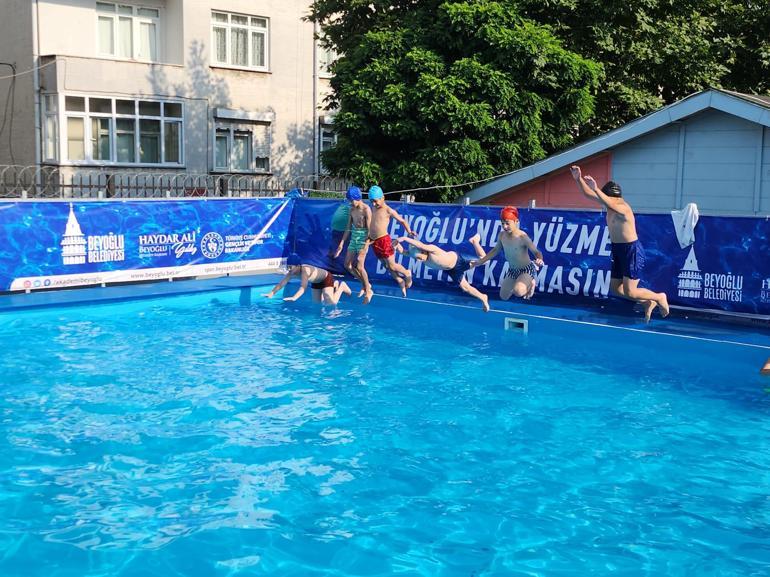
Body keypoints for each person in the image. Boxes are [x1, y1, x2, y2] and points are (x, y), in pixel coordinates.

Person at [570, 165, 669, 322]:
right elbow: (587, 194)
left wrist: (597, 189)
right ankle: (646, 302)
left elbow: (609, 201)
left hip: (631, 251)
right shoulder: (610, 204)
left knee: (630, 291)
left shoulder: (622, 207)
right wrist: (578, 179)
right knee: (616, 288)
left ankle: (659, 297)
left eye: (605, 197)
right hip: (617, 250)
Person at [395, 233, 490, 312]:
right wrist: (395, 244)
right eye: (417, 259)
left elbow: (421, 245)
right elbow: (402, 252)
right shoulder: (417, 254)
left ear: (423, 251)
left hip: (459, 260)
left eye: (419, 258)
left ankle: (475, 241)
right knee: (465, 288)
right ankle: (483, 297)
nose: (419, 261)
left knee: (484, 260)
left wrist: (404, 238)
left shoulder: (432, 249)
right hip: (451, 270)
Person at [469, 206, 544, 301]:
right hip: (512, 270)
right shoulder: (502, 236)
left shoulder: (522, 237)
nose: (504, 226)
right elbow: (495, 250)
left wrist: (539, 259)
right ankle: (525, 283)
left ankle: (531, 283)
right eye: (502, 223)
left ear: (516, 222)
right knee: (503, 296)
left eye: (507, 223)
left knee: (518, 291)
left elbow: (537, 252)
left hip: (526, 269)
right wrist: (481, 261)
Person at [367, 185, 415, 297]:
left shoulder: (388, 210)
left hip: (384, 241)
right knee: (386, 266)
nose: (373, 204)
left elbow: (402, 221)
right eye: (371, 202)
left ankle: (407, 273)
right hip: (374, 242)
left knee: (392, 266)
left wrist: (409, 231)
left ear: (382, 198)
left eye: (375, 201)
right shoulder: (373, 208)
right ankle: (400, 281)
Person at [333, 185, 374, 303]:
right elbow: (348, 228)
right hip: (354, 237)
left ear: (357, 198)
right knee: (347, 265)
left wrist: (366, 245)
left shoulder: (366, 210)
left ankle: (368, 290)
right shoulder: (352, 210)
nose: (350, 203)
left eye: (351, 201)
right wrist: (341, 244)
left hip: (364, 238)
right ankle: (365, 285)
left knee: (360, 266)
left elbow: (370, 230)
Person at [263, 259, 351, 305]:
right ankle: (334, 286)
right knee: (316, 304)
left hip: (326, 278)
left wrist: (294, 297)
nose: (289, 269)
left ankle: (341, 287)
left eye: (291, 267)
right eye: (288, 267)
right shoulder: (291, 272)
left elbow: (303, 288)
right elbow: (282, 283)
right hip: (316, 282)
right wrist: (272, 293)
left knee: (331, 303)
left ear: (298, 266)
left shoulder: (305, 271)